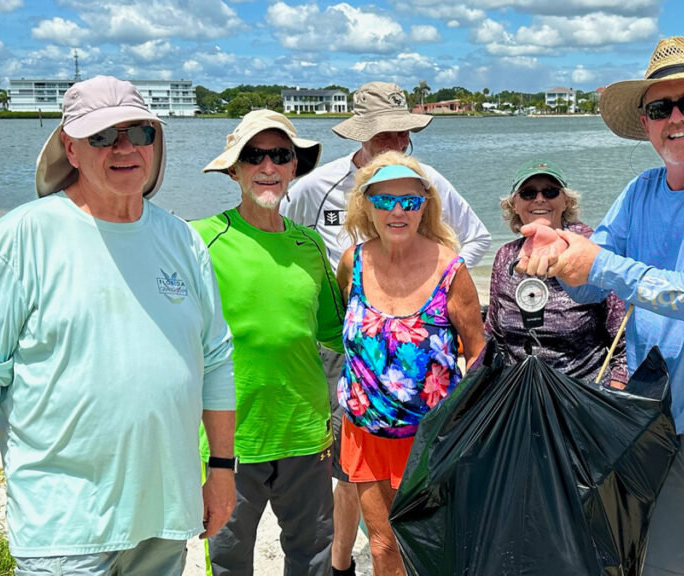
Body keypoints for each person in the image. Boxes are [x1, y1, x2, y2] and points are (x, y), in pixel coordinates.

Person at [0, 75, 236, 576]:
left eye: (139, 133)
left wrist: (222, 472)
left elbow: (216, 362)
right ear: (71, 149)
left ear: (155, 143)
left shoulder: (182, 240)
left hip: (165, 516)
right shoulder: (23, 236)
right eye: (102, 137)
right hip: (63, 526)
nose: (124, 148)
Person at [517, 37, 684, 576]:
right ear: (648, 125)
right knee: (661, 566)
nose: (676, 118)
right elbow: (588, 286)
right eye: (660, 109)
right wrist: (558, 252)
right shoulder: (640, 191)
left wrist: (601, 266)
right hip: (653, 419)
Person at [283, 80, 491, 576]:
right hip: (352, 347)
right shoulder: (319, 187)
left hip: (429, 410)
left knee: (435, 536)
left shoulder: (427, 182)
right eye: (383, 135)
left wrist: (437, 275)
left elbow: (477, 239)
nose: (394, 142)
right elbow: (292, 247)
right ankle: (338, 564)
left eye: (402, 134)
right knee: (376, 535)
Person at [193, 109, 344, 576]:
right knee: (228, 560)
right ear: (234, 169)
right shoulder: (200, 241)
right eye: (254, 155)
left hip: (305, 430)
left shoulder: (310, 245)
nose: (268, 167)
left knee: (314, 555)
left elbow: (336, 333)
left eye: (281, 155)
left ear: (294, 167)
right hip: (230, 439)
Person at [335, 151, 485, 576]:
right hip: (366, 434)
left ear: (426, 205)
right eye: (384, 200)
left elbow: (476, 352)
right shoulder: (353, 263)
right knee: (383, 547)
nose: (397, 211)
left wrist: (466, 428)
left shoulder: (450, 270)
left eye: (410, 201)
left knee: (436, 548)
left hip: (432, 440)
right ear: (366, 204)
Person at [485, 159, 628, 385]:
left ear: (566, 202)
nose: (540, 199)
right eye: (528, 193)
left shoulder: (590, 247)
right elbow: (494, 335)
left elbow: (623, 338)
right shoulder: (505, 256)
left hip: (582, 393)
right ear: (514, 204)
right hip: (519, 393)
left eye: (551, 192)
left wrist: (615, 395)